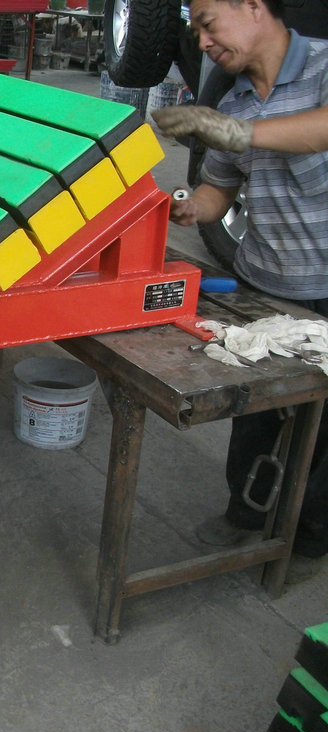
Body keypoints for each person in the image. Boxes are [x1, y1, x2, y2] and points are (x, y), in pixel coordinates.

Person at [153, 0, 328, 568]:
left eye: (207, 24)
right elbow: (218, 192)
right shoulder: (234, 101)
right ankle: (246, 513)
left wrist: (241, 132)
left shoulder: (323, 68)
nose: (202, 43)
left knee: (322, 429)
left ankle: (309, 534)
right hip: (267, 287)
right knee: (257, 416)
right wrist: (188, 207)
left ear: (253, 7)